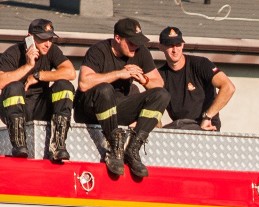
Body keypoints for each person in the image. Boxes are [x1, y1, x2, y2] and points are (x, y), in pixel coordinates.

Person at [74, 18, 170, 178]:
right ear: (117, 39)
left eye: (138, 42)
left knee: (162, 95)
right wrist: (119, 74)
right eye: (131, 43)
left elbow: (158, 84)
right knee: (105, 89)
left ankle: (133, 149)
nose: (135, 46)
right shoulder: (98, 50)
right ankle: (115, 148)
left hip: (117, 109)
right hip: (90, 109)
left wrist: (143, 79)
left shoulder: (140, 52)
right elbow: (84, 83)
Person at [0, 19, 75, 160]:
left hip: (41, 106)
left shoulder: (51, 50)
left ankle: (58, 145)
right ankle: (19, 144)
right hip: (18, 109)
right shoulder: (13, 52)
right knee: (14, 87)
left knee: (64, 86)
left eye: (51, 39)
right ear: (29, 38)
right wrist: (28, 66)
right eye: (43, 39)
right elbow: (1, 82)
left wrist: (40, 75)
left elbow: (71, 72)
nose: (48, 44)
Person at [157, 26, 235, 131]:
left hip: (205, 126)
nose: (175, 50)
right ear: (160, 47)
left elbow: (228, 87)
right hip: (179, 128)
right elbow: (154, 108)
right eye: (170, 45)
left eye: (178, 45)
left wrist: (207, 117)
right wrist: (157, 130)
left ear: (183, 45)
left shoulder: (201, 64)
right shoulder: (159, 75)